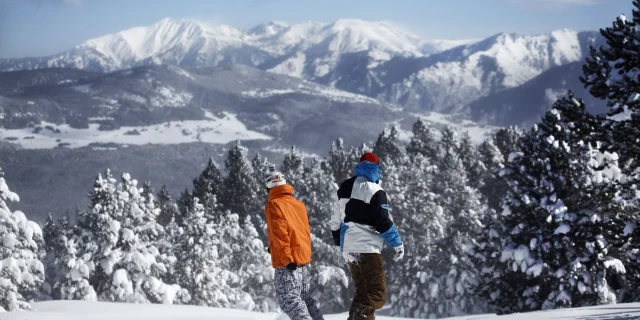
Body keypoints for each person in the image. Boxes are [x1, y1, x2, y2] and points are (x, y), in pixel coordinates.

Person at [330, 152, 404, 320]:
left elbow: (335, 222)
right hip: (368, 249)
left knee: (363, 294)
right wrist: (398, 244)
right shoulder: (376, 191)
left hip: (349, 249)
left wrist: (339, 247)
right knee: (376, 294)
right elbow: (383, 222)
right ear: (376, 167)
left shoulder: (344, 188)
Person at [264, 165, 324, 320]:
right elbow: (298, 231)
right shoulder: (298, 205)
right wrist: (274, 248)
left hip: (288, 261)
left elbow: (281, 234)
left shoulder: (274, 205)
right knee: (304, 299)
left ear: (268, 188)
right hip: (302, 259)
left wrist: (285, 257)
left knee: (289, 300)